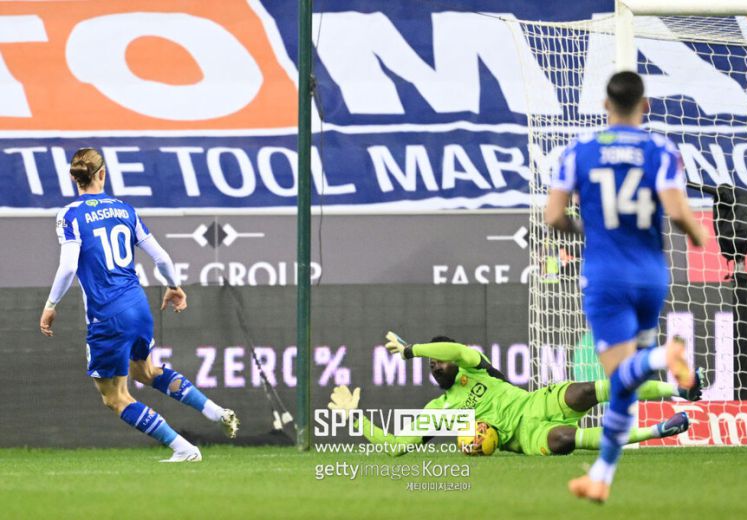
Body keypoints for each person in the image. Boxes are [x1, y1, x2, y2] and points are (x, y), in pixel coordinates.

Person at [544, 71, 709, 501]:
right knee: (625, 382)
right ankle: (601, 476)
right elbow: (678, 211)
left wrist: (586, 229)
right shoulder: (660, 149)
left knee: (621, 373)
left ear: (605, 105)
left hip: (606, 276)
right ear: (645, 105)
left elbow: (554, 216)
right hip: (650, 275)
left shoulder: (579, 150)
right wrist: (699, 234)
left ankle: (664, 356)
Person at [39, 148, 239, 462]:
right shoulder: (125, 210)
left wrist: (51, 305)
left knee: (115, 397)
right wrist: (173, 286)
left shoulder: (70, 215)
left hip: (107, 315)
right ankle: (215, 411)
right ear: (102, 174)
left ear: (74, 178)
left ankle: (184, 449)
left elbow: (67, 267)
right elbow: (162, 258)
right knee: (146, 371)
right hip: (138, 306)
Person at [328, 336, 702, 457]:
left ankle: (677, 389)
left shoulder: (476, 367)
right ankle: (657, 431)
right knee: (564, 439)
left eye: (438, 361)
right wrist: (354, 417)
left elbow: (456, 351)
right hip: (525, 437)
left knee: (586, 390)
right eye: (431, 365)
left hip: (533, 402)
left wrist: (413, 350)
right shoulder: (440, 410)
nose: (435, 367)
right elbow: (396, 447)